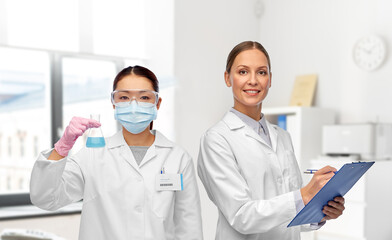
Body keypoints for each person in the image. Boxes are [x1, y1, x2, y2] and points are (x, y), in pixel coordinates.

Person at [30, 65, 203, 240]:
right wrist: (61, 148)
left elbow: (189, 228)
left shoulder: (178, 158)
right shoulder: (92, 155)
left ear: (157, 103)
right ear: (114, 104)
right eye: (124, 97)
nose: (134, 105)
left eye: (144, 97)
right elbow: (45, 198)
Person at [197, 41, 345, 240]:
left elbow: (288, 214)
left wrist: (321, 212)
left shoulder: (282, 137)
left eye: (261, 72)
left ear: (270, 79)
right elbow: (242, 216)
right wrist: (304, 195)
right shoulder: (216, 139)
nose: (253, 80)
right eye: (242, 72)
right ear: (227, 78)